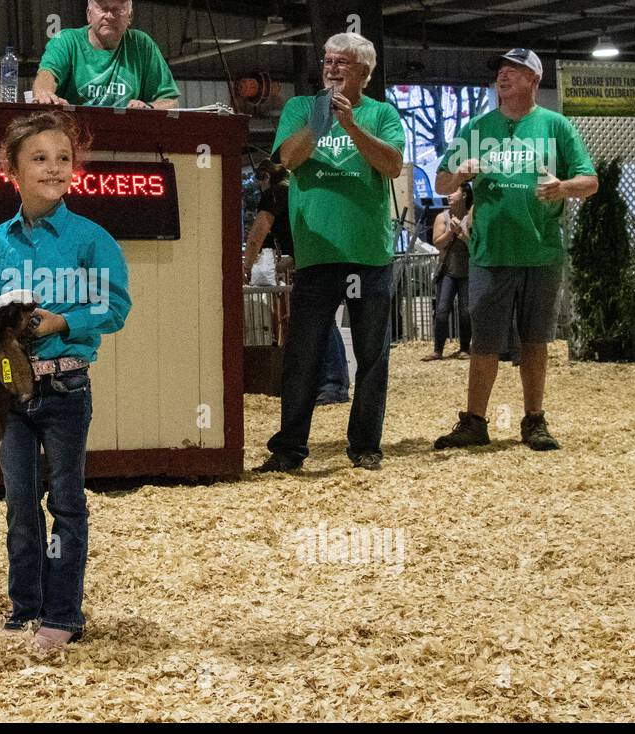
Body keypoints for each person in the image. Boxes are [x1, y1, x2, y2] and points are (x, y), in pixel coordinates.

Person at [0, 111, 131, 650]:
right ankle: (25, 608)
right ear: (12, 171)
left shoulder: (92, 239)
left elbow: (115, 307)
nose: (54, 168)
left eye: (63, 158)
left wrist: (64, 322)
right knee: (19, 502)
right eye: (39, 158)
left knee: (66, 502)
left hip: (66, 389)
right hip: (12, 393)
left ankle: (64, 613)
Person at [433, 48, 598, 451]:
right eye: (501, 72)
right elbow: (440, 183)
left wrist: (562, 187)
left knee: (535, 340)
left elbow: (590, 181)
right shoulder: (476, 126)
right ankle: (474, 421)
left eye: (515, 71)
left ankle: (534, 420)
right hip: (490, 252)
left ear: (534, 81)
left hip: (541, 251)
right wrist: (460, 173)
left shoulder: (555, 126)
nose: (503, 77)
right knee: (485, 342)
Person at [254, 33, 404, 472]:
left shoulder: (381, 114)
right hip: (317, 253)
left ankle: (364, 446)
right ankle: (289, 449)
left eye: (343, 62)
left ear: (365, 72)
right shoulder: (302, 109)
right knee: (303, 352)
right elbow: (287, 160)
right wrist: (322, 122)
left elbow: (392, 165)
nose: (332, 68)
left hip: (368, 255)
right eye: (328, 60)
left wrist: (353, 125)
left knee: (372, 355)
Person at [244, 159, 349, 404]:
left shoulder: (274, 193)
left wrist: (247, 265)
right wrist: (288, 263)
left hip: (317, 264)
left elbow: (257, 234)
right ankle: (331, 382)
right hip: (328, 257)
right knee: (321, 321)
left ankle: (334, 385)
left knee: (320, 321)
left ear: (265, 178)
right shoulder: (298, 190)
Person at [31, 0, 179, 109]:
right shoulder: (66, 40)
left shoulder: (142, 45)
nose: (109, 15)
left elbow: (171, 101)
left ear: (130, 17)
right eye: (102, 7)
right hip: (72, 131)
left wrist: (149, 107)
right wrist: (45, 93)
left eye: (118, 9)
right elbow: (47, 74)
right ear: (89, 14)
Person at [424, 183, 473, 361]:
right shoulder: (442, 217)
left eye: (454, 192)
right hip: (448, 272)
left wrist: (461, 233)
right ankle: (438, 349)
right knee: (442, 310)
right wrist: (451, 233)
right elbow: (437, 243)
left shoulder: (471, 216)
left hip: (467, 271)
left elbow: (475, 245)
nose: (449, 195)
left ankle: (465, 348)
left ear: (465, 195)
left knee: (466, 311)